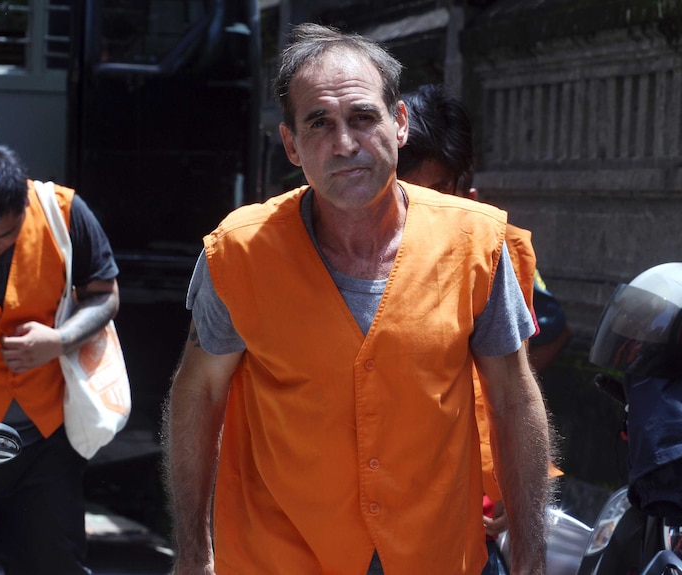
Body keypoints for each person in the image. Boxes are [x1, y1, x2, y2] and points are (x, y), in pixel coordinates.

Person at [163, 22, 551, 575]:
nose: (344, 144)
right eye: (319, 124)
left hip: (435, 553)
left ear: (399, 124)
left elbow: (513, 396)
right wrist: (193, 549)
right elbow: (198, 396)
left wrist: (532, 556)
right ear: (292, 145)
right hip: (281, 554)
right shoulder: (239, 253)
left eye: (363, 117)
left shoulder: (476, 244)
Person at [398, 83, 562, 575]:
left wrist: (514, 492)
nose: (422, 211)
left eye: (439, 193)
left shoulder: (493, 253)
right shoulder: (344, 250)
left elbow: (514, 390)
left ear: (466, 194)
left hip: (465, 523)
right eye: (408, 192)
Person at [0, 140, 119, 571]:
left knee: (54, 563)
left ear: (23, 200)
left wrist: (60, 340)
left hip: (44, 445)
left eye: (4, 234)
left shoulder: (65, 211)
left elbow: (104, 295)